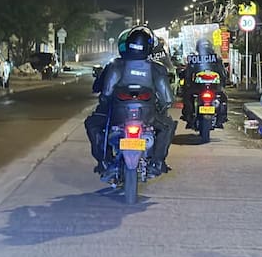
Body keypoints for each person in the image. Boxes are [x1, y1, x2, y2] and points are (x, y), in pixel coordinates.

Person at [84, 26, 176, 180]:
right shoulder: (157, 68)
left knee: (92, 124)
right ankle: (157, 162)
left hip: (118, 114)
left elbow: (106, 93)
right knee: (167, 127)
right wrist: (160, 107)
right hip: (148, 115)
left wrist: (106, 104)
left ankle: (104, 162)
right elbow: (167, 99)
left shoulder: (115, 64)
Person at [180, 37, 228, 126]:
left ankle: (190, 116)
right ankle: (221, 117)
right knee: (223, 97)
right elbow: (223, 74)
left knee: (187, 96)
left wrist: (187, 84)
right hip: (211, 88)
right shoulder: (216, 59)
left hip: (200, 88)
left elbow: (188, 74)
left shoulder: (195, 59)